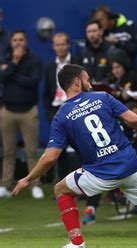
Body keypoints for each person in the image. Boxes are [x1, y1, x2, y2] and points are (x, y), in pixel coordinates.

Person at [11, 64, 137, 248]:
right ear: (77, 82)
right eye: (87, 79)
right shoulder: (102, 97)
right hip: (131, 166)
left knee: (61, 189)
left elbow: (50, 157)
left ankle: (78, 243)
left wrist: (28, 178)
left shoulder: (61, 116)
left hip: (100, 173)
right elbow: (133, 118)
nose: (90, 83)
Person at [0, 30, 43, 199]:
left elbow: (32, 81)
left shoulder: (35, 59)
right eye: (15, 39)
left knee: (31, 152)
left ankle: (35, 185)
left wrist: (12, 71)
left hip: (28, 111)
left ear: (26, 42)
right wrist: (15, 63)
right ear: (11, 42)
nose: (18, 42)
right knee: (8, 151)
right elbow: (1, 77)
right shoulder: (5, 58)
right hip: (7, 111)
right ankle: (5, 184)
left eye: (21, 40)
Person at [44, 32, 81, 182]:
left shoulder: (77, 63)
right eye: (57, 45)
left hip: (75, 108)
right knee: (59, 150)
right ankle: (63, 186)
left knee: (80, 148)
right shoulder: (49, 66)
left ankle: (82, 185)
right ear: (53, 47)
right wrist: (49, 115)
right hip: (56, 111)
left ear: (68, 45)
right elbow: (46, 93)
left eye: (63, 44)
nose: (60, 47)